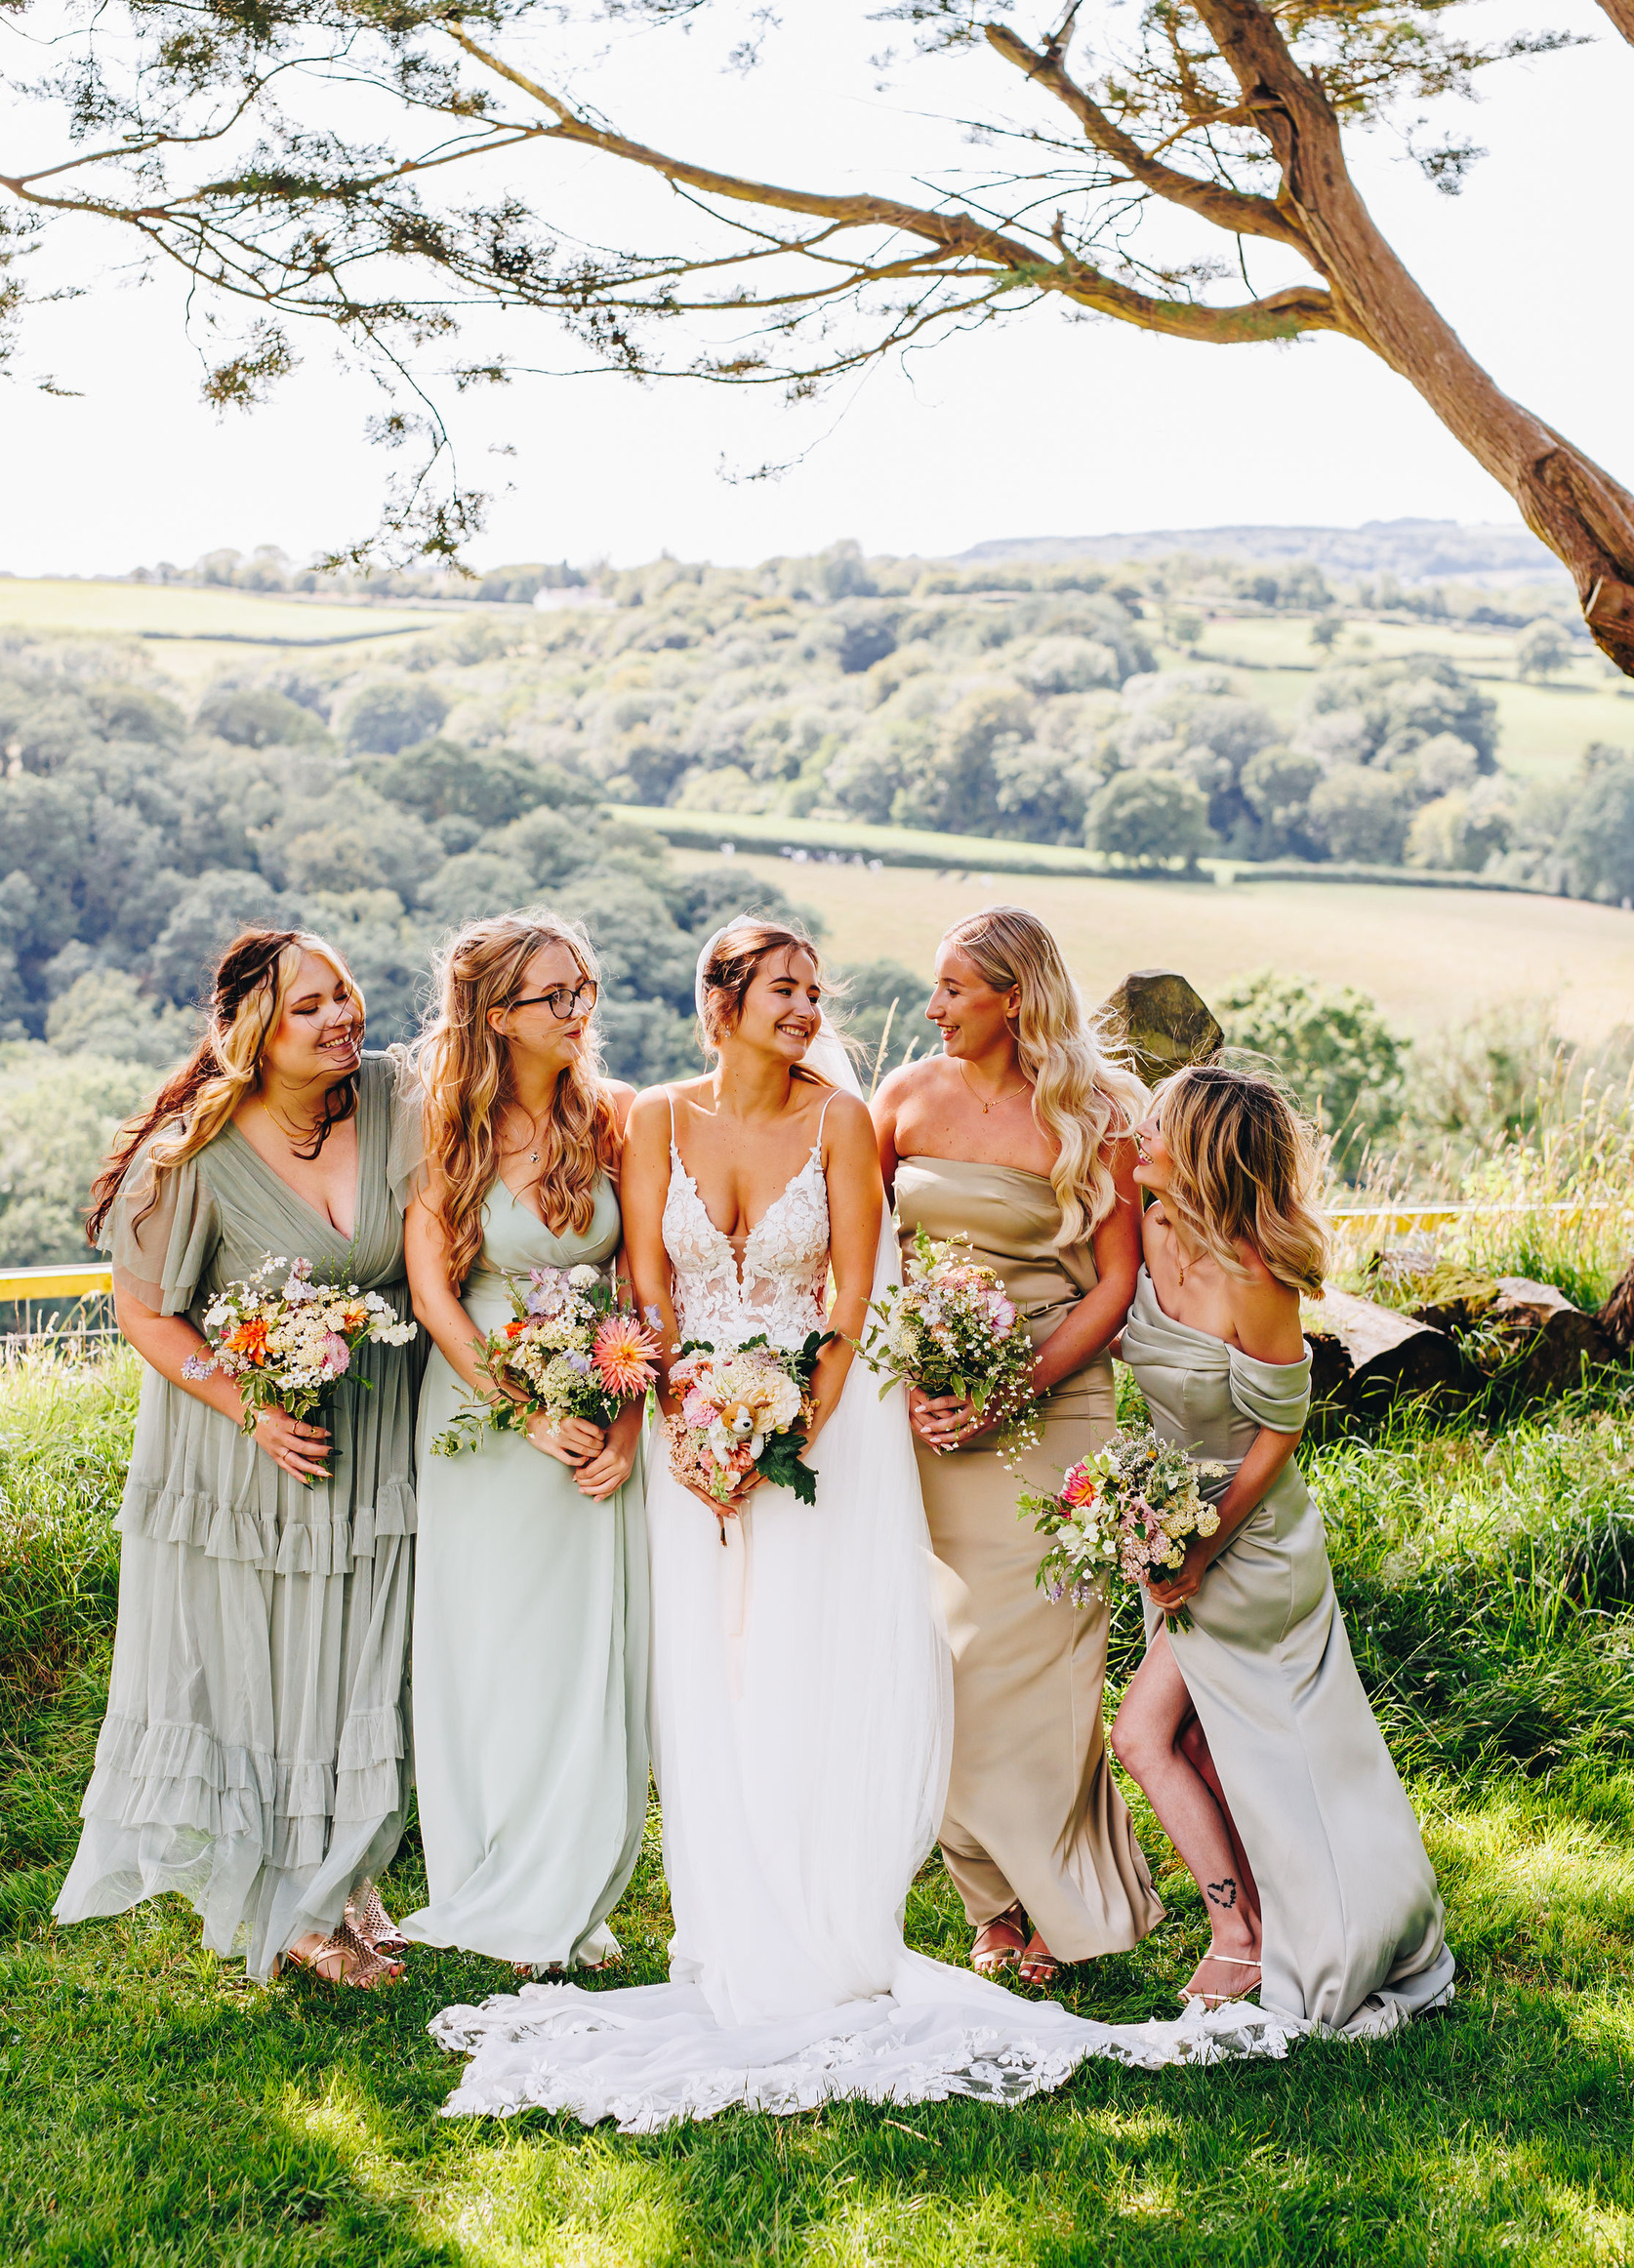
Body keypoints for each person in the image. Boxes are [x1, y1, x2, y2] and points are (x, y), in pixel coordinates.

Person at [423, 920, 1285, 2128]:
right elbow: (652, 1293)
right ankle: (728, 1925)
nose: (809, 1008)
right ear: (720, 1000)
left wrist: (784, 1424)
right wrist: (692, 1420)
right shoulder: (654, 1118)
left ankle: (828, 1925)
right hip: (689, 1446)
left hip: (810, 1440)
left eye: (815, 992)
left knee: (804, 1671)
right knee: (706, 1687)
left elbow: (850, 1290)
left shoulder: (839, 1119)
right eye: (786, 989)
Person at [54, 928, 421, 1990]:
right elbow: (145, 1314)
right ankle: (287, 1904)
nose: (339, 1017)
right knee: (272, 1670)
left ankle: (344, 1876)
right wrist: (249, 1406)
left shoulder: (394, 1099)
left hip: (375, 1430)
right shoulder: (196, 1151)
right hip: (249, 1449)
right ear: (249, 1028)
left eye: (343, 995)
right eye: (309, 1007)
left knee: (358, 1655)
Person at [1111, 1065, 1454, 2032]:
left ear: (1207, 1149)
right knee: (1203, 1747)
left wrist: (1203, 1546)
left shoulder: (1254, 1277)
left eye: (1162, 1122)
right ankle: (1261, 1923)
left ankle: (1244, 1938)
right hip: (1173, 1521)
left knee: (1151, 1738)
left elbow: (1279, 1432)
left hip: (1252, 1544)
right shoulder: (1149, 1222)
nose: (1142, 1130)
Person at [874, 908, 1163, 1987]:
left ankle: (1061, 1900)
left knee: (1041, 1673)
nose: (937, 1008)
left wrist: (1017, 1391)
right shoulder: (900, 1100)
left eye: (955, 989)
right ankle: (992, 1904)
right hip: (925, 1416)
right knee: (943, 1663)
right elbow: (859, 1260)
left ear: (1014, 997)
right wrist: (903, 1379)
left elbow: (1119, 1282)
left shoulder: (1096, 1116)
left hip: (1058, 1411)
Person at [395, 911, 650, 1972]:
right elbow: (436, 1296)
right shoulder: (446, 1130)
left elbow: (645, 1282)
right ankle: (494, 1874)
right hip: (483, 1426)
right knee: (494, 1650)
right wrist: (523, 1407)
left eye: (584, 987)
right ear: (498, 1017)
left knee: (586, 1653)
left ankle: (574, 1885)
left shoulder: (621, 1119)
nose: (579, 1010)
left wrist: (625, 1419)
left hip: (598, 1404)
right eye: (557, 996)